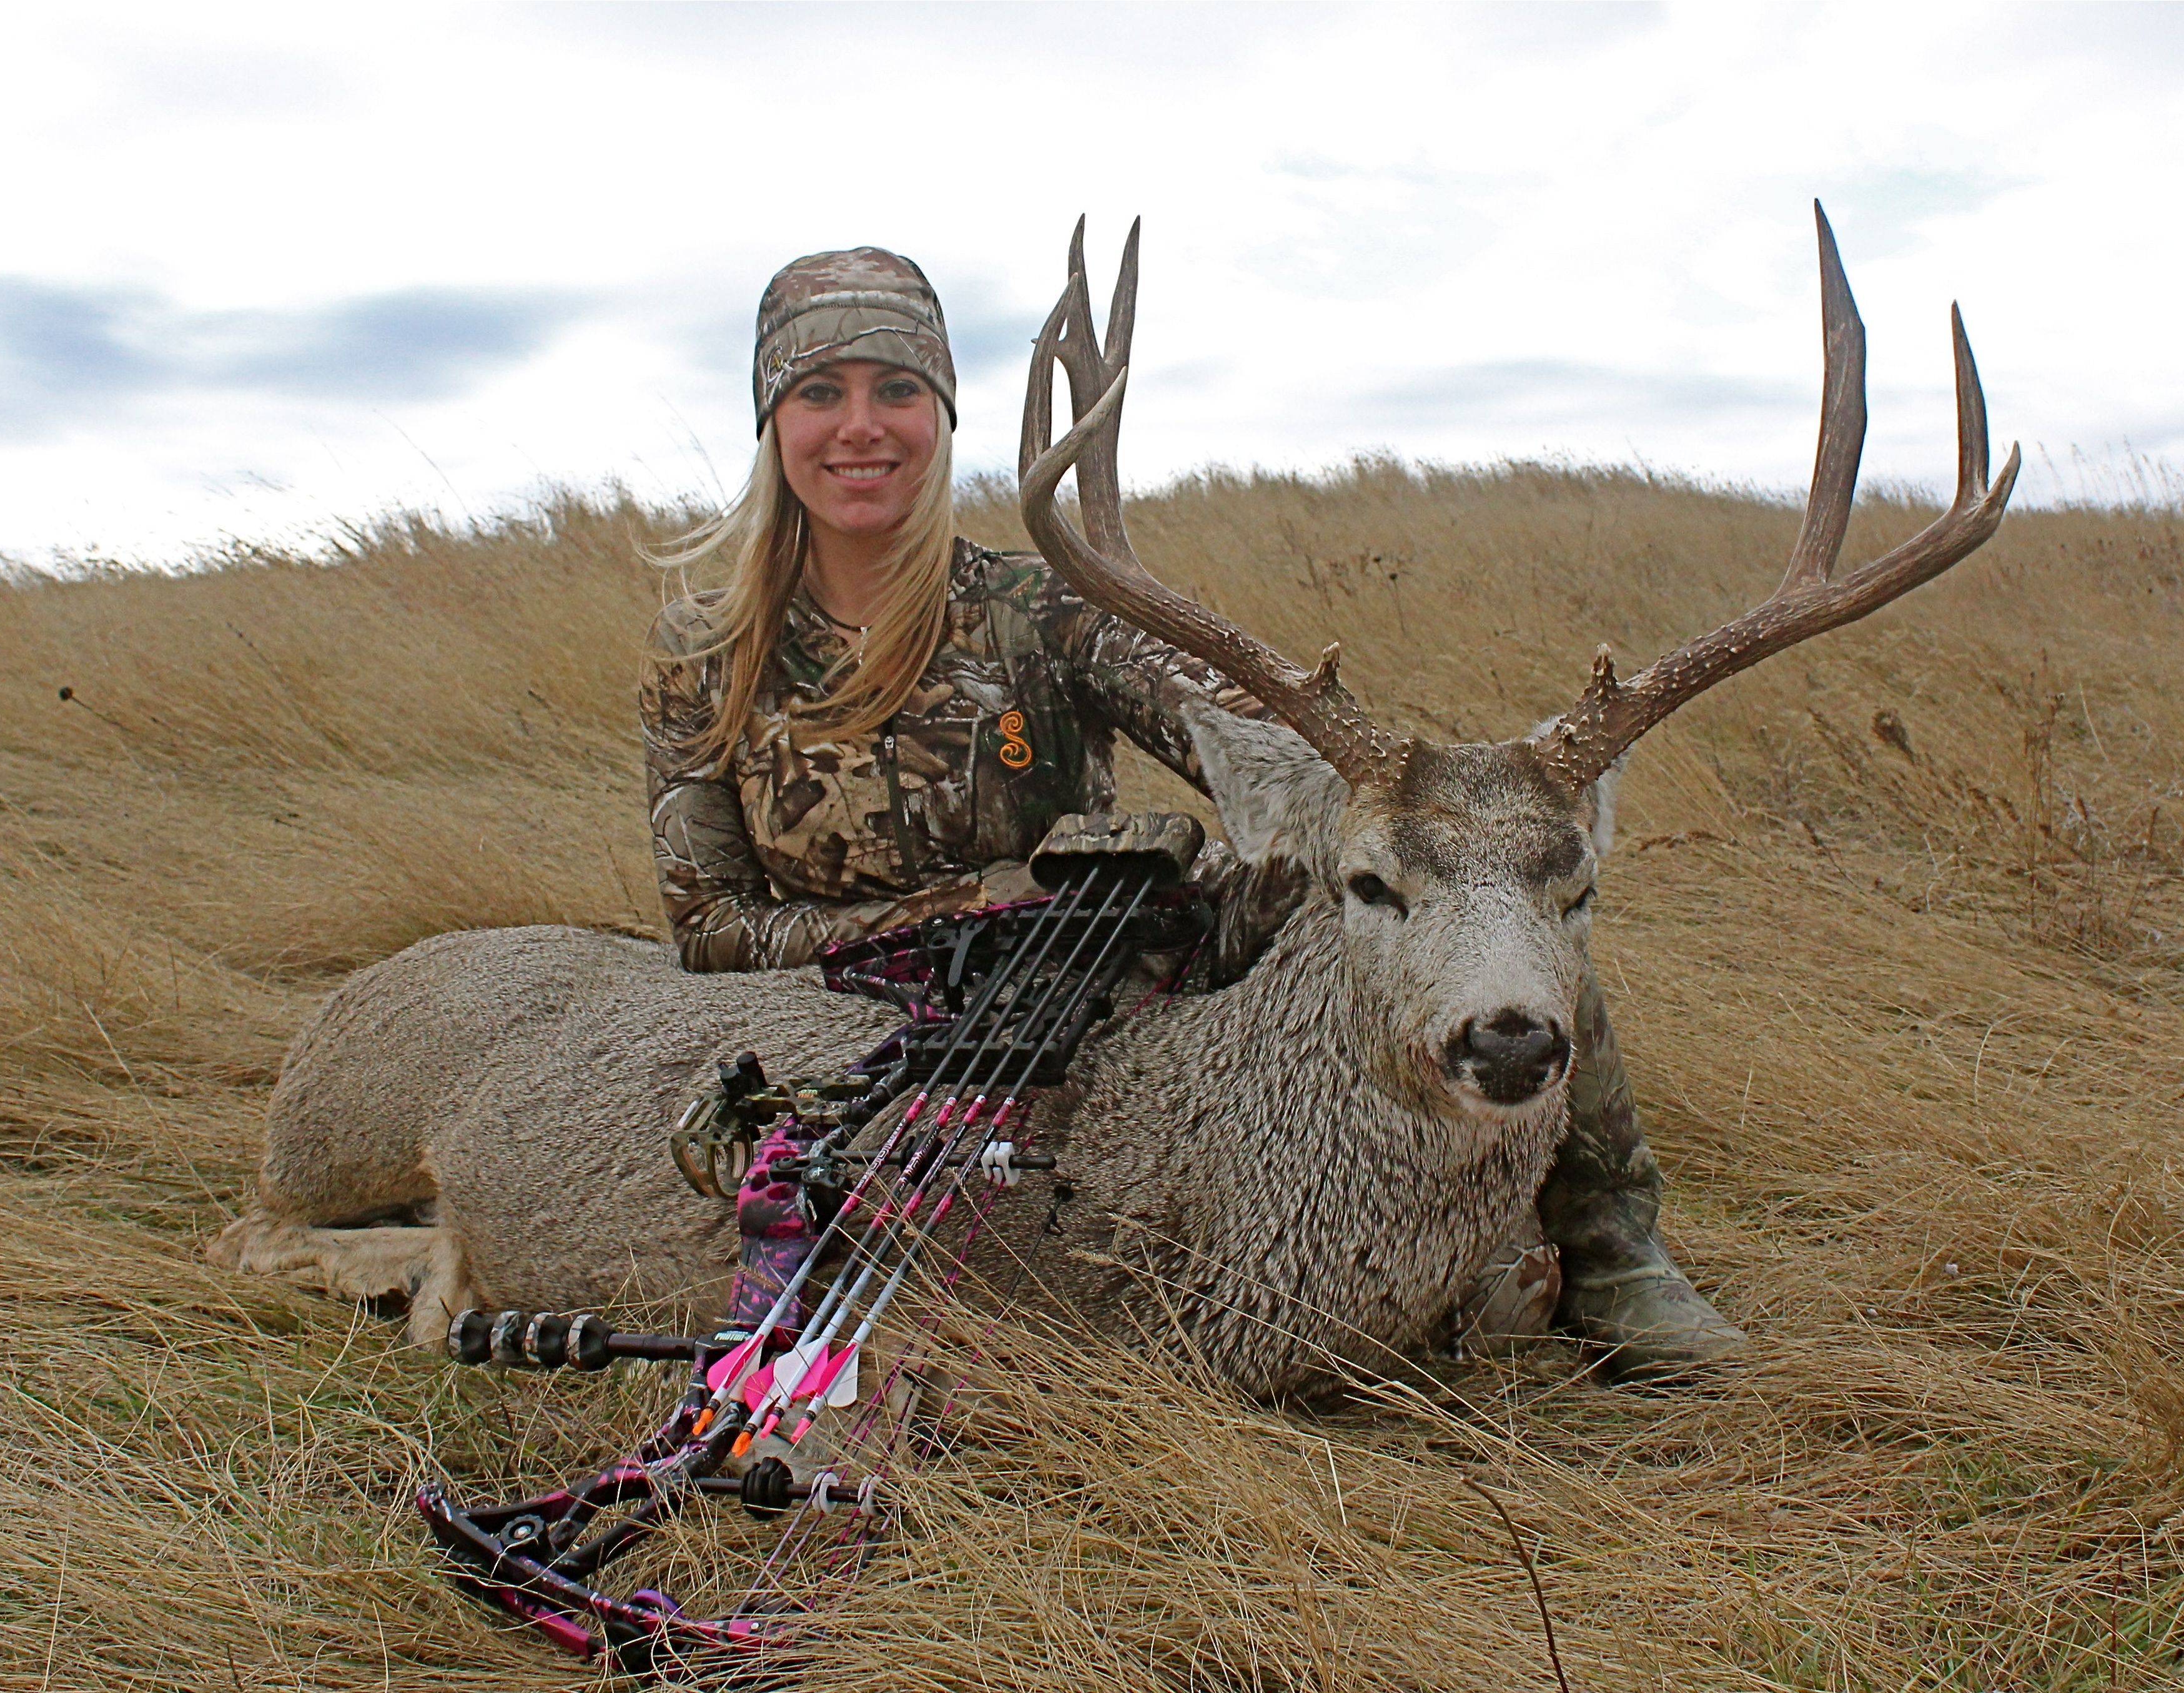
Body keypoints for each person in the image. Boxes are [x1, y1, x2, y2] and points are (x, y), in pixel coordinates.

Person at [639, 245, 1744, 1378]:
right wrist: (971, 906)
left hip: (1103, 974)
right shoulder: (706, 655)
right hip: (865, 1006)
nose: (860, 426)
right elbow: (710, 928)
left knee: (1486, 867)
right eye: (820, 393)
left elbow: (1238, 738)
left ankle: (1614, 1249)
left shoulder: (1041, 604)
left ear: (943, 414)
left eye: (898, 390)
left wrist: (1369, 788)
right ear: (773, 419)